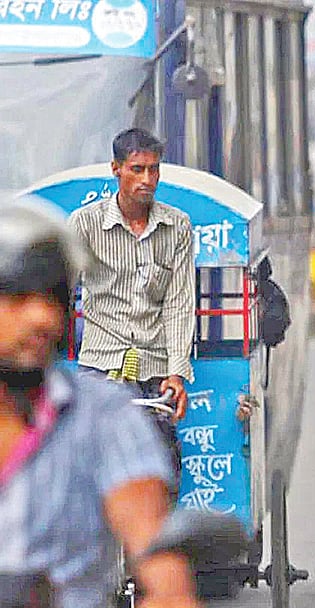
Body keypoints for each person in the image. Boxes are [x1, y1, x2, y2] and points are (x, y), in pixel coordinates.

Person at [0, 201, 201, 608]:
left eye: (53, 299)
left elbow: (146, 528)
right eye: (18, 299)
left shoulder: (104, 413)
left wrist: (167, 596)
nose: (42, 318)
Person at [68, 128, 194, 442]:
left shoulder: (177, 226)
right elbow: (59, 291)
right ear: (116, 169)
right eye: (137, 169)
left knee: (161, 456)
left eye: (153, 170)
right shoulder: (85, 223)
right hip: (100, 366)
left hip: (155, 373)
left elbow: (179, 304)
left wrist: (176, 373)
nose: (147, 179)